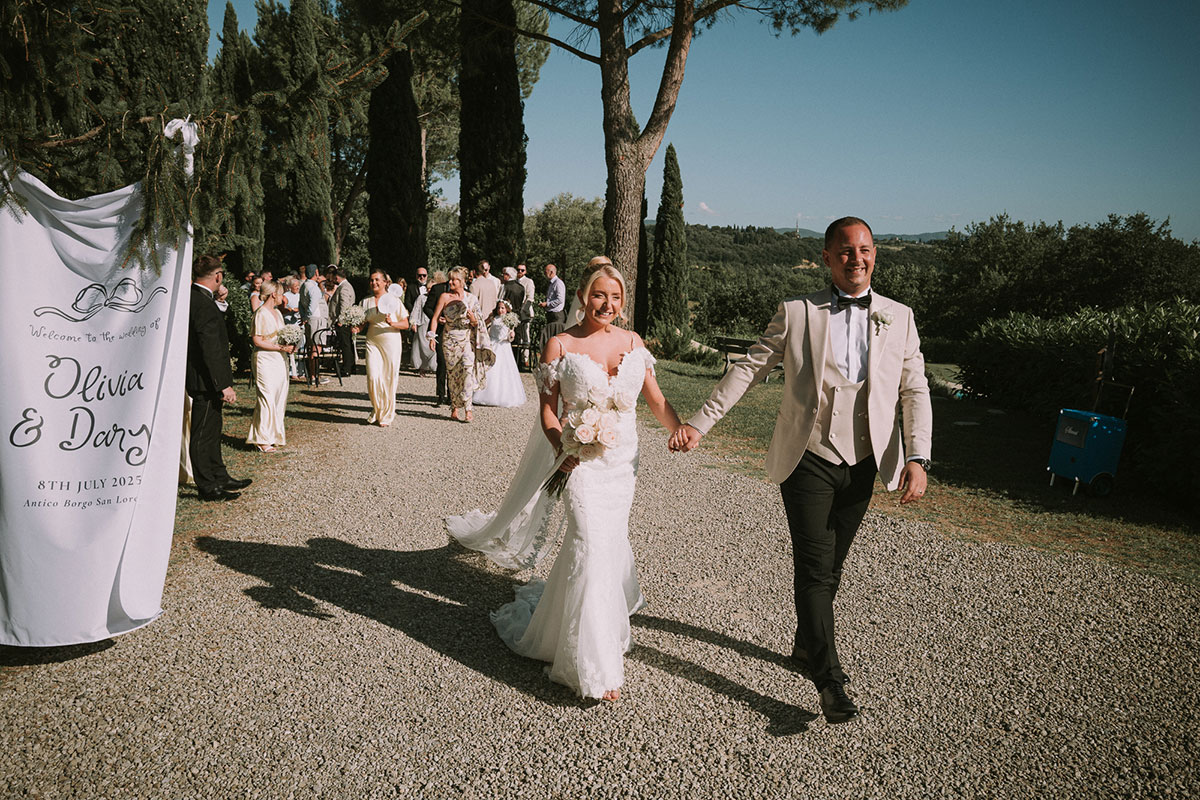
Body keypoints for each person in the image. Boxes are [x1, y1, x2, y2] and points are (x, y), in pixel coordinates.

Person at [670, 217, 933, 724]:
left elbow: (915, 389)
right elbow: (748, 368)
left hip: (864, 461)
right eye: (846, 251)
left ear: (874, 254)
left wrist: (918, 457)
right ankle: (829, 678)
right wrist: (701, 424)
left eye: (866, 250)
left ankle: (804, 643)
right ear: (827, 257)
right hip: (807, 457)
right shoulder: (797, 312)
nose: (857, 259)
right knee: (814, 566)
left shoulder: (899, 317)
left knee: (832, 566)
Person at [448, 257, 685, 702]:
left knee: (607, 544)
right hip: (579, 462)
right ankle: (591, 667)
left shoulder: (634, 343)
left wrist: (679, 429)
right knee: (588, 544)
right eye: (599, 295)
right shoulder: (559, 345)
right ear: (581, 296)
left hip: (622, 463)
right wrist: (565, 447)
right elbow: (547, 411)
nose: (607, 304)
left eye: (615, 298)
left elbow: (656, 400)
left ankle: (576, 631)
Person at [186, 255, 251, 501]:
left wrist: (219, 302)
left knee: (213, 430)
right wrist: (222, 384)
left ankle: (219, 475)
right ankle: (207, 485)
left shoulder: (200, 298)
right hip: (205, 380)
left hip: (205, 378)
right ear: (218, 276)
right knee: (203, 434)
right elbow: (210, 348)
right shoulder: (201, 302)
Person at [425, 266, 490, 422]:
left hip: (466, 339)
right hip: (449, 340)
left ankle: (468, 409)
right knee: (453, 375)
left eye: (455, 279)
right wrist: (432, 337)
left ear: (462, 281)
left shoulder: (471, 299)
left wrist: (473, 318)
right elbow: (435, 318)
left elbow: (477, 323)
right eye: (451, 279)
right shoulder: (444, 297)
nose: (452, 282)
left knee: (468, 371)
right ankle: (454, 407)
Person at [246, 281, 295, 452]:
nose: (283, 297)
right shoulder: (261, 313)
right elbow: (257, 340)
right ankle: (262, 438)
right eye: (282, 293)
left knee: (278, 396)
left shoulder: (277, 314)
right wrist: (280, 347)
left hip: (280, 360)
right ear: (274, 294)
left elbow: (281, 336)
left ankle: (273, 434)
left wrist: (289, 344)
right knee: (266, 397)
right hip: (264, 360)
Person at [360, 268, 411, 426]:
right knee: (373, 376)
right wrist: (355, 327)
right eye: (371, 280)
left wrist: (393, 323)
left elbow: (406, 323)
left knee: (388, 377)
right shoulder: (365, 301)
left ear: (385, 282)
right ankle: (377, 409)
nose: (373, 282)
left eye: (377, 280)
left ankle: (387, 414)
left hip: (391, 341)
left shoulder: (394, 301)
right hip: (372, 341)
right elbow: (362, 324)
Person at [472, 300, 526, 408]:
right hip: (492, 343)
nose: (500, 310)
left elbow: (511, 334)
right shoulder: (493, 318)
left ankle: (502, 396)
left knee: (503, 370)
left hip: (503, 346)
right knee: (489, 368)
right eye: (499, 308)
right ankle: (482, 392)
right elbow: (483, 323)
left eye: (502, 308)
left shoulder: (510, 319)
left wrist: (511, 335)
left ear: (507, 309)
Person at [299, 264, 330, 384]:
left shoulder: (303, 286)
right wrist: (306, 316)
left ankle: (312, 375)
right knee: (317, 348)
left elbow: (300, 304)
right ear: (316, 272)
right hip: (317, 319)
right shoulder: (313, 288)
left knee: (312, 346)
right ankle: (314, 376)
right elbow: (312, 305)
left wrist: (304, 317)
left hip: (310, 320)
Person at [423, 271, 450, 403]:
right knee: (442, 362)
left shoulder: (465, 292)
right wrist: (437, 317)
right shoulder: (438, 288)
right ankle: (440, 394)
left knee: (453, 363)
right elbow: (427, 308)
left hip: (455, 332)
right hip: (439, 329)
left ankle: (452, 395)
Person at [327, 265, 357, 376]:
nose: (333, 280)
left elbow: (344, 305)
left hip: (343, 321)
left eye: (334, 278)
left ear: (337, 277)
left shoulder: (344, 287)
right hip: (345, 320)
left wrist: (341, 320)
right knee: (348, 344)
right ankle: (351, 366)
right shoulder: (346, 286)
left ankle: (346, 369)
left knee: (345, 345)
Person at [515, 263, 536, 369]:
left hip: (525, 312)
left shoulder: (528, 282)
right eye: (518, 270)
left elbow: (530, 298)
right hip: (516, 312)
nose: (520, 272)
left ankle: (525, 359)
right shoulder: (514, 281)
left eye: (522, 270)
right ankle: (518, 359)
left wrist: (523, 311)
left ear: (525, 271)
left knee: (525, 335)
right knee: (518, 336)